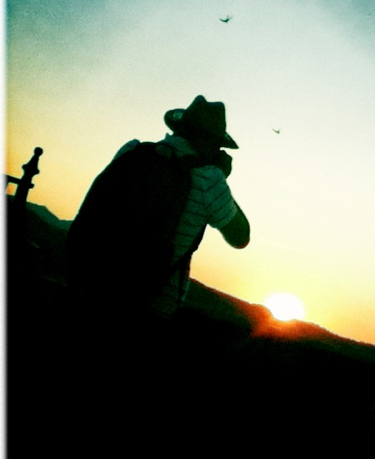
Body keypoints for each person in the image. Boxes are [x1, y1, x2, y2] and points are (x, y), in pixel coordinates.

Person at [66, 95, 250, 331]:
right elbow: (241, 237)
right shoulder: (209, 180)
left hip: (88, 286)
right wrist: (221, 175)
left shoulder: (132, 150)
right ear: (212, 143)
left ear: (178, 127)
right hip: (147, 310)